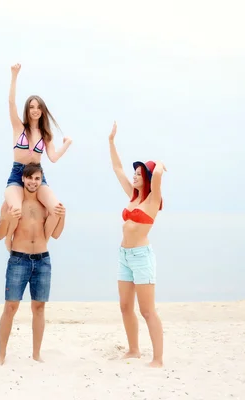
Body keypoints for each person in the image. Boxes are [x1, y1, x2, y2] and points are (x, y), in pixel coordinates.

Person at [0, 162, 66, 365]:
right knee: (10, 307)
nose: (33, 182)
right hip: (19, 259)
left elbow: (57, 234)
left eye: (37, 178)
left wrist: (62, 215)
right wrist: (7, 218)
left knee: (39, 308)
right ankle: (1, 354)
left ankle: (36, 354)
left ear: (41, 180)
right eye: (30, 178)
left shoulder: (46, 205)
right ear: (23, 179)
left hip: (43, 259)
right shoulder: (12, 203)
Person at [108, 121, 166, 368]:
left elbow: (159, 175)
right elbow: (117, 167)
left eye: (139, 174)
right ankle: (133, 349)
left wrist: (159, 165)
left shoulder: (153, 201)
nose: (134, 176)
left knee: (147, 310)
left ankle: (158, 358)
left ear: (148, 179)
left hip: (142, 256)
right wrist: (111, 142)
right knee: (124, 306)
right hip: (124, 255)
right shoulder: (132, 196)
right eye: (135, 174)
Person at [3, 63, 73, 252]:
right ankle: (10, 242)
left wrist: (66, 144)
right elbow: (11, 103)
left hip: (37, 176)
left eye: (38, 107)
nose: (35, 110)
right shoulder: (19, 127)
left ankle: (42, 242)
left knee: (56, 209)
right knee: (16, 210)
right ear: (28, 109)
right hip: (18, 175)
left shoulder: (45, 134)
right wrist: (14, 75)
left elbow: (53, 157)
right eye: (32, 107)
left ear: (42, 110)